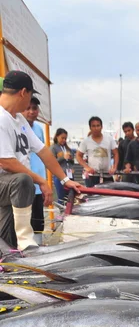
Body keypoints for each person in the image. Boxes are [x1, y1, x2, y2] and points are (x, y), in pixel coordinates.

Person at [0, 70, 81, 251]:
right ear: (23, 92)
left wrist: (65, 180)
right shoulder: (1, 118)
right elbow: (6, 162)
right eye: (30, 96)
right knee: (24, 179)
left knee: (5, 243)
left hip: (11, 188)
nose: (29, 102)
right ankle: (26, 240)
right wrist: (40, 180)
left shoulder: (19, 119)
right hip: (9, 183)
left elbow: (43, 151)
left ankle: (13, 253)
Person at [22, 96, 46, 243]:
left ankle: (39, 246)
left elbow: (43, 152)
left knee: (38, 219)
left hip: (39, 183)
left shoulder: (39, 129)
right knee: (23, 220)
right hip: (24, 183)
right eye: (28, 108)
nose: (31, 112)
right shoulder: (15, 127)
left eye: (34, 108)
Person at [76, 116, 118, 187]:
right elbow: (78, 155)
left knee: (108, 196)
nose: (96, 128)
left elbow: (116, 154)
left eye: (98, 126)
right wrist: (87, 167)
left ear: (102, 127)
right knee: (92, 196)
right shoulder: (86, 141)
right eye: (93, 126)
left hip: (107, 174)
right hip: (92, 175)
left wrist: (114, 167)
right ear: (90, 127)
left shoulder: (109, 139)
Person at [50, 128, 74, 204]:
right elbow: (52, 162)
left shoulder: (67, 148)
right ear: (57, 137)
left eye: (65, 138)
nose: (64, 140)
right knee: (61, 196)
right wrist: (63, 157)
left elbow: (72, 162)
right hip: (59, 176)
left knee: (70, 196)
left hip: (69, 175)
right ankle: (62, 213)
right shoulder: (53, 148)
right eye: (62, 138)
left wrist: (70, 159)